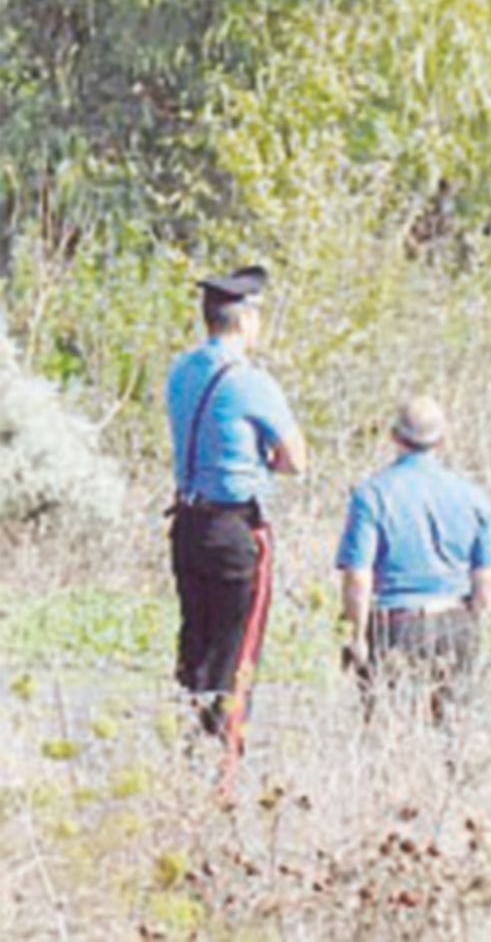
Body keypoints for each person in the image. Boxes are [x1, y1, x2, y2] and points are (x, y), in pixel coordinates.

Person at [165, 265, 307, 751]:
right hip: (233, 531)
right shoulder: (251, 382)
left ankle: (190, 749)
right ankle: (221, 769)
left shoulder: (180, 370)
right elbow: (296, 460)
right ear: (245, 320)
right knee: (236, 655)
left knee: (196, 647)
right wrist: (262, 458)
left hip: (186, 524)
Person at [335, 395, 491, 722]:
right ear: (442, 439)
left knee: (387, 727)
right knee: (453, 727)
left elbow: (358, 575)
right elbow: (486, 576)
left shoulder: (371, 496)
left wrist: (356, 635)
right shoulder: (472, 496)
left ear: (394, 437)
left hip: (393, 624)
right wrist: (475, 616)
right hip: (454, 620)